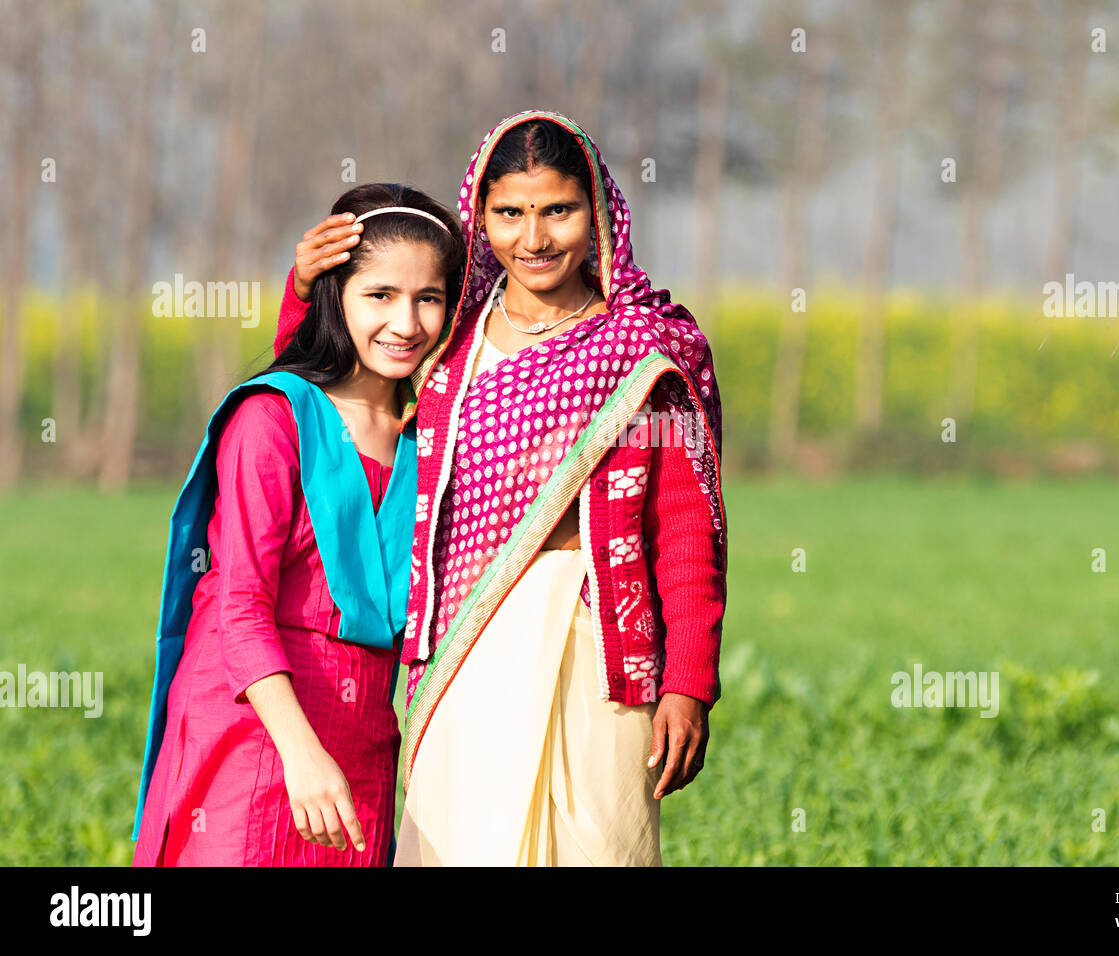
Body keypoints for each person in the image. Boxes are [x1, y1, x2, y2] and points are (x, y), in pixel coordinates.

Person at [276, 110, 727, 866]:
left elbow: (686, 529)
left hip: (600, 647)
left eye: (558, 210)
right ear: (479, 219)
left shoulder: (647, 349)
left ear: (601, 212)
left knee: (597, 847)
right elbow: (330, 378)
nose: (535, 237)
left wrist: (688, 682)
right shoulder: (447, 337)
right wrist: (303, 286)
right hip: (463, 641)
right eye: (510, 214)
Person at [132, 183, 465, 866]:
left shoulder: (431, 440)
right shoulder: (273, 420)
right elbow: (240, 608)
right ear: (334, 294)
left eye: (428, 298)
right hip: (255, 723)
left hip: (365, 732)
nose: (405, 322)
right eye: (379, 295)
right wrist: (301, 752)